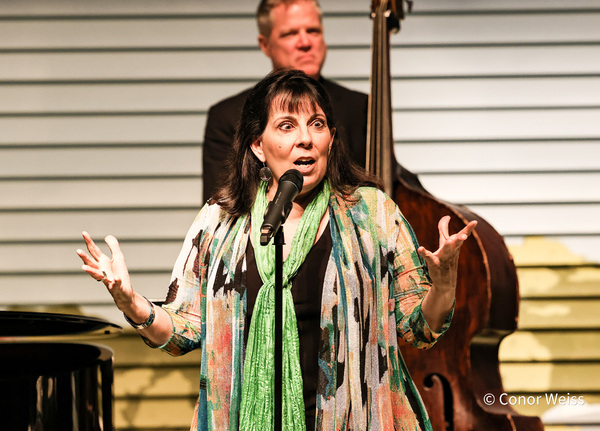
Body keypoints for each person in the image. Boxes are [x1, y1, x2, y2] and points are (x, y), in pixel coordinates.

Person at [77, 69, 476, 431]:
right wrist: (132, 304)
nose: (306, 137)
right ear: (257, 145)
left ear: (331, 139)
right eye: (287, 125)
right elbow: (184, 330)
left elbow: (419, 329)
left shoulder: (372, 214)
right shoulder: (219, 223)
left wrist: (442, 287)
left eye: (317, 124)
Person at [202, 0, 368, 201]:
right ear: (265, 45)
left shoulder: (361, 107)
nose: (305, 42)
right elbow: (223, 204)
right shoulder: (227, 116)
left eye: (313, 31)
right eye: (290, 33)